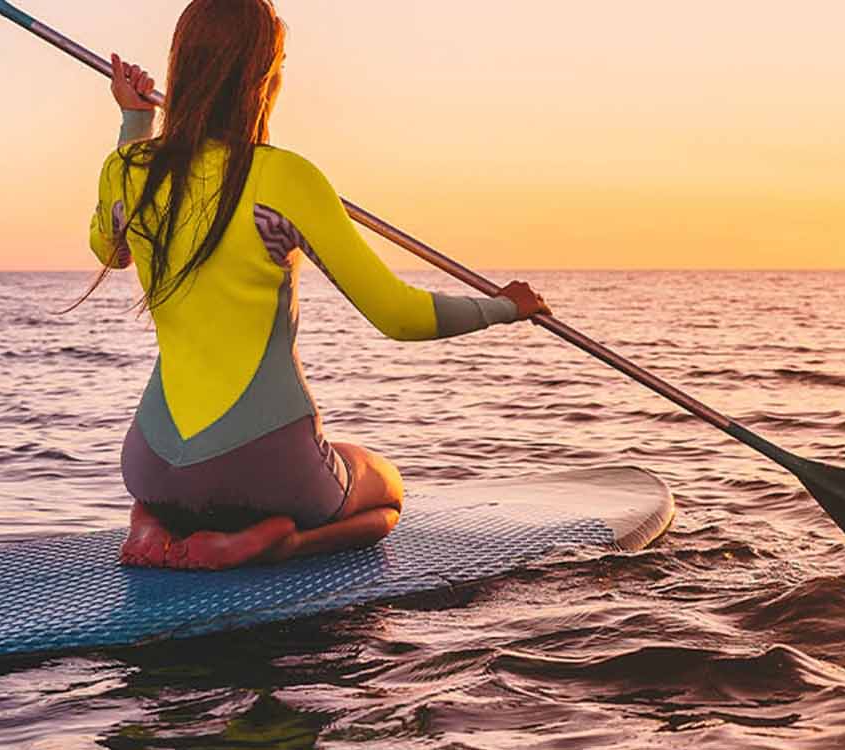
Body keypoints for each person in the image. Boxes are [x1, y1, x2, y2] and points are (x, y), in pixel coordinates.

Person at [90, 0, 548, 570]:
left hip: (149, 464)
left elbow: (110, 251)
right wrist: (503, 307)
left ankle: (152, 519)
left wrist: (135, 127)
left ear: (181, 67)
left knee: (185, 485)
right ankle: (270, 542)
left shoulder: (128, 168)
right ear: (264, 78)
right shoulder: (285, 177)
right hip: (269, 466)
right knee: (386, 494)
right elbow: (398, 316)